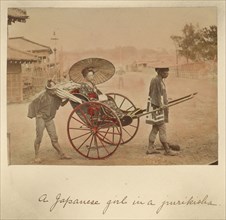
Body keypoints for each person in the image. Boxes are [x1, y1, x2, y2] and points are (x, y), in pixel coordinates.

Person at [27, 80, 72, 163]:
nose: (54, 91)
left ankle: (61, 154)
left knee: (54, 138)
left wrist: (68, 99)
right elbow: (32, 104)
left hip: (49, 119)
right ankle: (36, 156)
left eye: (55, 89)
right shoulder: (42, 96)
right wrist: (35, 115)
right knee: (39, 137)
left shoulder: (56, 97)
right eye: (52, 89)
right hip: (41, 118)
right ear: (48, 89)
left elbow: (61, 104)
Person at [146, 66, 180, 156]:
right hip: (156, 108)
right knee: (162, 127)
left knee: (155, 127)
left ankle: (150, 148)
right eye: (166, 72)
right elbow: (155, 95)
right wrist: (160, 105)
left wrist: (166, 99)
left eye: (167, 72)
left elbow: (160, 94)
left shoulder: (160, 80)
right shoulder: (156, 80)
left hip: (158, 106)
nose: (167, 74)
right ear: (160, 72)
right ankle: (167, 150)